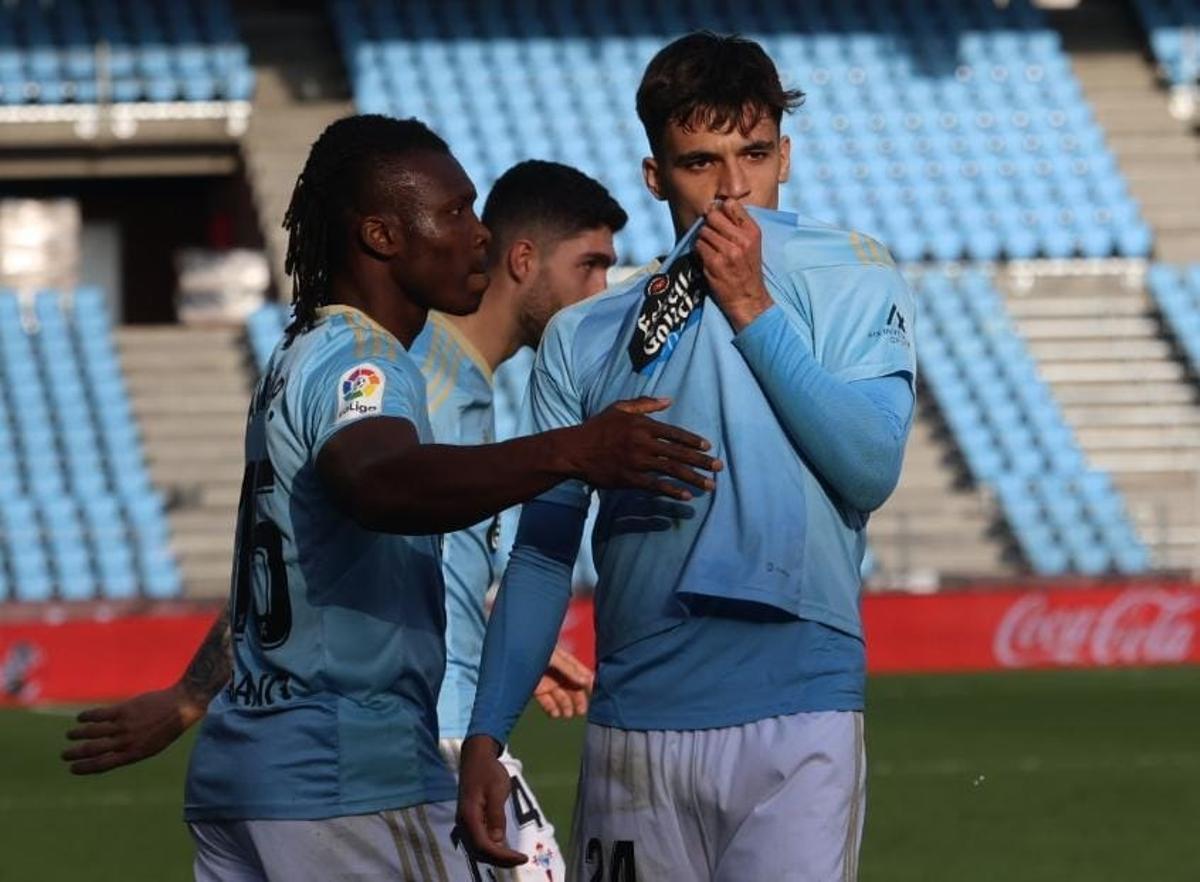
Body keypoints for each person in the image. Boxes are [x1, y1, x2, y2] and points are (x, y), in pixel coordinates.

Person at [62, 115, 719, 882]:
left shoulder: (305, 350)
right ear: (380, 236)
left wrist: (190, 697)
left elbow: (299, 550)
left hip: (259, 766)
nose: (477, 234)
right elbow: (381, 484)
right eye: (454, 213)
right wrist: (577, 448)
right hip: (348, 770)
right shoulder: (370, 364)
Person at [456, 32, 917, 881]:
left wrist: (753, 308)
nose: (735, 187)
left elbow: (870, 468)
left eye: (755, 154)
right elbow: (541, 554)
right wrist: (488, 731)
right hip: (637, 722)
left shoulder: (854, 273)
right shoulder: (586, 334)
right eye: (701, 162)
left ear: (785, 153)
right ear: (655, 176)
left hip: (799, 708)